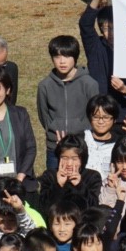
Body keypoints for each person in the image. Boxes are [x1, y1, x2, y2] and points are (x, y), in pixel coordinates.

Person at [36, 34, 100, 171]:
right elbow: (44, 115)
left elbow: (94, 114)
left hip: (82, 145)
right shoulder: (45, 86)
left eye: (66, 56)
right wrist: (53, 128)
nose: (62, 61)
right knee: (55, 187)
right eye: (57, 57)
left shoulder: (89, 84)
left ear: (75, 57)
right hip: (55, 147)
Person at [80, 0, 126, 110]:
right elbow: (85, 25)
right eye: (106, 28)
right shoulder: (95, 47)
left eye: (114, 28)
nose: (110, 33)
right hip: (98, 113)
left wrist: (124, 89)